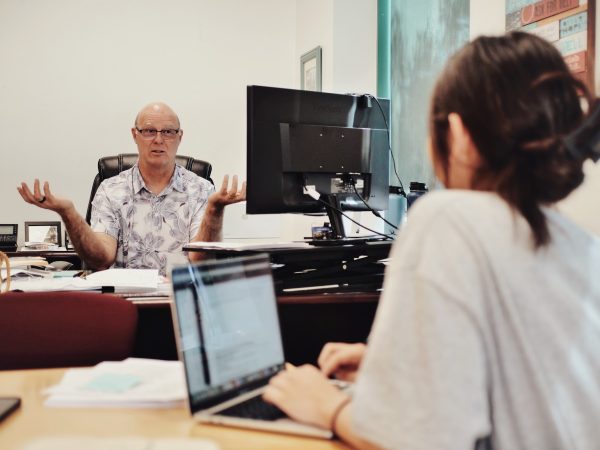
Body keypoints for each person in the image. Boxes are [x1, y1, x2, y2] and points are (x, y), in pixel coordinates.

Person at [262, 32, 600, 449]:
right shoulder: (582, 245)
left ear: (457, 136)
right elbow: (535, 383)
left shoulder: (448, 219)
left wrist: (325, 405)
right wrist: (408, 369)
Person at [18, 102, 245, 276]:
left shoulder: (201, 190)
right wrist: (68, 212)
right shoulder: (110, 190)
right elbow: (102, 258)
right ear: (135, 135)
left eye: (168, 132)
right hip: (124, 305)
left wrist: (215, 209)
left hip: (179, 301)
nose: (158, 139)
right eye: (149, 131)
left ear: (179, 137)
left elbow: (199, 261)